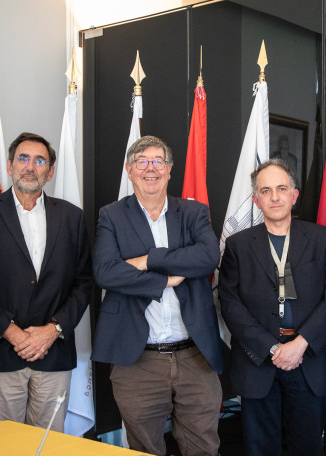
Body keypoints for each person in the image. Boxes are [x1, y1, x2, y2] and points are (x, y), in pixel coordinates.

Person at [92, 135, 223, 456]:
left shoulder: (193, 212)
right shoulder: (111, 215)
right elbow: (106, 272)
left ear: (169, 170)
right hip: (137, 360)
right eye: (142, 162)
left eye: (158, 162)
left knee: (204, 447)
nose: (150, 169)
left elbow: (207, 258)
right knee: (144, 449)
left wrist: (149, 261)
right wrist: (164, 281)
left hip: (195, 357)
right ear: (129, 170)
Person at [0, 132, 92, 432]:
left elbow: (83, 281)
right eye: (23, 158)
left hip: (53, 353)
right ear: (9, 166)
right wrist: (13, 334)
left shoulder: (71, 217)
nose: (30, 166)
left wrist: (52, 330)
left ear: (50, 171)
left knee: (48, 447)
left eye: (40, 160)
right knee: (1, 449)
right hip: (0, 353)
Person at [218, 158, 326, 455]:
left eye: (281, 188)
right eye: (266, 191)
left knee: (309, 447)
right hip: (259, 362)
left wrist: (300, 344)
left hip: (308, 360)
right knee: (260, 448)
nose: (274, 197)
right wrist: (272, 349)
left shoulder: (322, 239)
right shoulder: (237, 245)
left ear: (294, 194)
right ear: (256, 200)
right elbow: (230, 304)